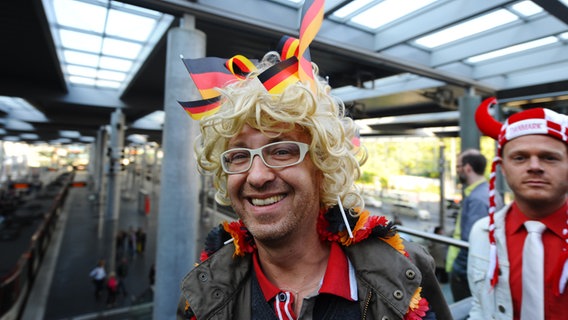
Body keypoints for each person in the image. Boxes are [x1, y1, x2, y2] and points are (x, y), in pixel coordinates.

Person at [176, 2, 452, 319]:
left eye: (281, 150)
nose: (257, 176)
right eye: (239, 156)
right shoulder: (201, 295)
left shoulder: (406, 272)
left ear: (322, 164)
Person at [467, 97, 568, 319]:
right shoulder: (483, 233)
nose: (534, 167)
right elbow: (481, 307)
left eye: (549, 158)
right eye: (520, 157)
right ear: (502, 168)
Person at [446, 149, 502, 301]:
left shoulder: (477, 199)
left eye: (458, 167)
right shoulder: (488, 192)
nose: (457, 171)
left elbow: (471, 241)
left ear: (468, 168)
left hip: (465, 272)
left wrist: (458, 270)